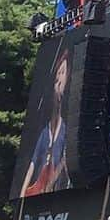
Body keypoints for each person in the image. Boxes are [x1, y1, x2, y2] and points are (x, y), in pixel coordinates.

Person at [20, 47, 72, 197]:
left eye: (62, 73)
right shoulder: (45, 131)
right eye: (57, 74)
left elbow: (65, 165)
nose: (59, 78)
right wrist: (22, 195)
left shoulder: (66, 130)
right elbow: (33, 163)